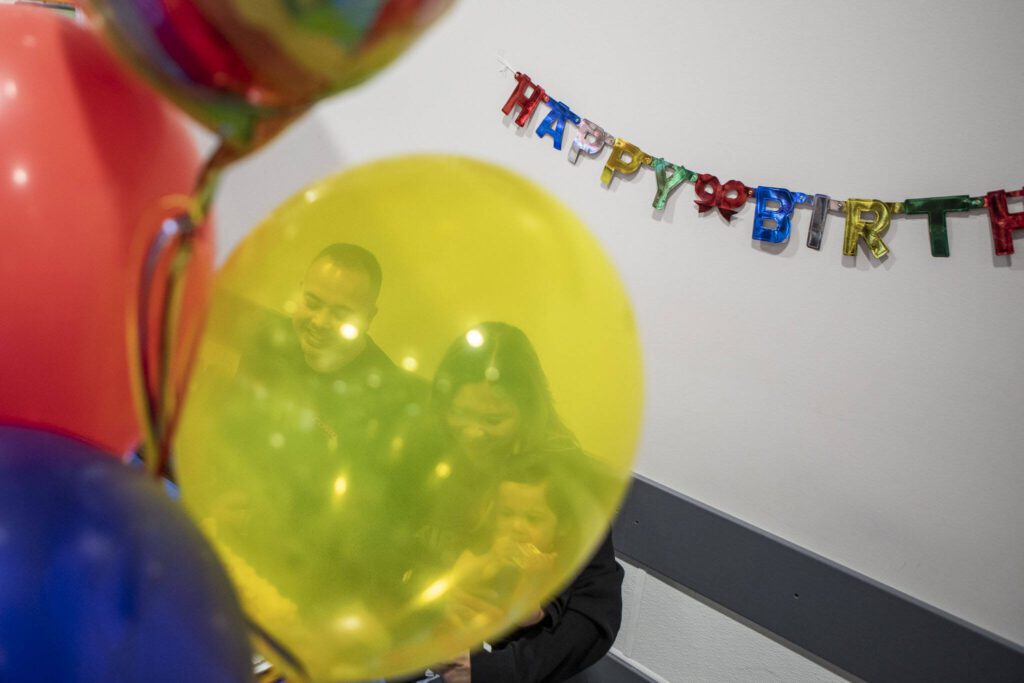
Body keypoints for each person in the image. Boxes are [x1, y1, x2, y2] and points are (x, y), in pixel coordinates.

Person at [419, 322, 624, 683]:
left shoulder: (560, 480)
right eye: (460, 413)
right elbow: (389, 549)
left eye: (492, 420)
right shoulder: (431, 455)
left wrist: (492, 671)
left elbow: (594, 614)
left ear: (527, 413)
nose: (471, 433)